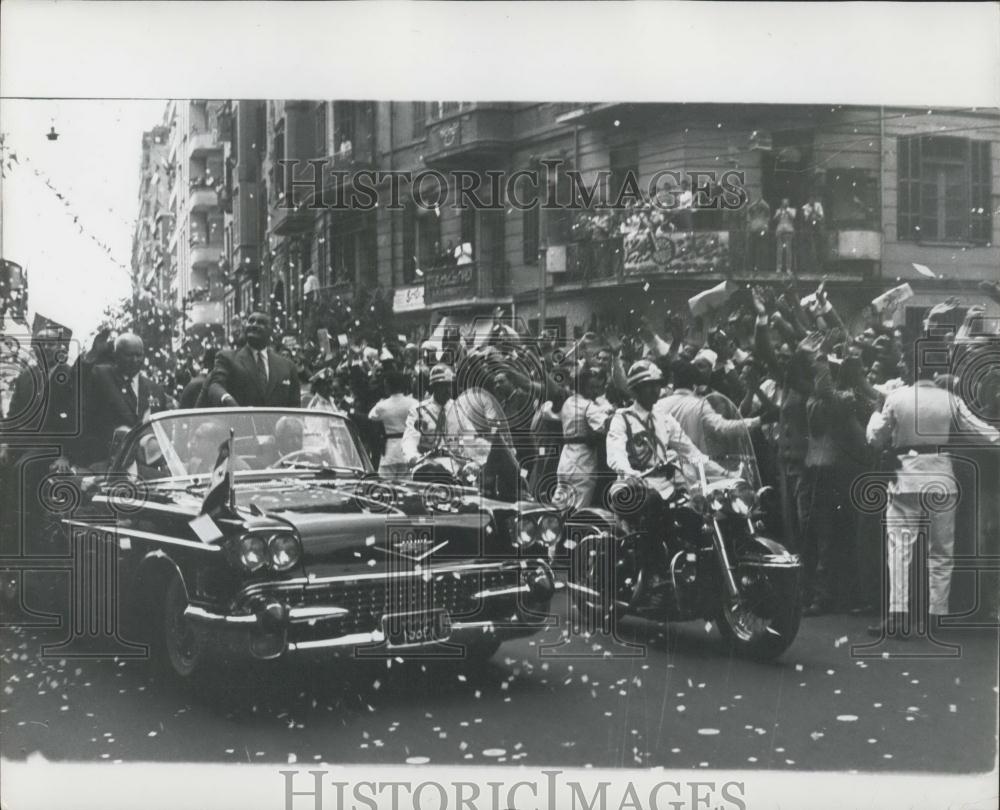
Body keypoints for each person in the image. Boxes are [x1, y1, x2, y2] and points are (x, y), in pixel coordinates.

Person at [866, 340, 1000, 639]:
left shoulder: (896, 397)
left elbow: (875, 438)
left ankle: (898, 615)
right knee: (941, 551)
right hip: (941, 477)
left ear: (912, 367)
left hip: (905, 477)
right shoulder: (950, 400)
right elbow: (981, 432)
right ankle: (936, 615)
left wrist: (876, 411)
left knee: (899, 549)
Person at [605, 360, 718, 605]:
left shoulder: (664, 419)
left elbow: (690, 451)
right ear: (636, 389)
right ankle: (652, 576)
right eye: (648, 386)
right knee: (653, 504)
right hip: (630, 488)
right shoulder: (622, 418)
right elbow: (615, 453)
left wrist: (721, 472)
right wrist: (628, 472)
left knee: (696, 514)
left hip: (666, 488)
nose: (655, 390)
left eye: (657, 385)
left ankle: (688, 571)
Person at [55, 333, 170, 471]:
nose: (135, 360)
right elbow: (76, 381)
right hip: (103, 464)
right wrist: (92, 354)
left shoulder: (155, 389)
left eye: (139, 355)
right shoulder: (100, 375)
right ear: (116, 355)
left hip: (144, 468)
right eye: (129, 355)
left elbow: (163, 430)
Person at [656, 357, 764, 456]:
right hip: (696, 465)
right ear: (694, 381)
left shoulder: (658, 405)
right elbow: (724, 427)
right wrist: (760, 420)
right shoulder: (699, 405)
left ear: (673, 379)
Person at [200, 311, 300, 407]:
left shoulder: (287, 366)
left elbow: (294, 406)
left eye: (261, 322)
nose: (254, 325)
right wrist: (227, 399)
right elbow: (215, 385)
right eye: (251, 321)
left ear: (271, 330)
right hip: (238, 418)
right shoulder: (227, 358)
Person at [555, 366, 613, 511]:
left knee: (560, 503)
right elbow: (605, 426)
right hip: (583, 461)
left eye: (597, 387)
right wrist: (616, 414)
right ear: (582, 386)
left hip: (566, 458)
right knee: (578, 508)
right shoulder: (589, 406)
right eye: (591, 387)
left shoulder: (568, 402)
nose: (595, 391)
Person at [402, 363, 459, 465]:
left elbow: (470, 435)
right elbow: (410, 439)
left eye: (449, 385)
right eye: (443, 386)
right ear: (434, 387)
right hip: (428, 464)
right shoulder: (419, 411)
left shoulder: (458, 409)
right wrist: (413, 457)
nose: (447, 390)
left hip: (455, 464)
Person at [368, 370, 418, 478]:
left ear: (388, 386)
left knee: (385, 485)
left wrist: (379, 402)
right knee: (406, 484)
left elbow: (371, 416)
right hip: (408, 449)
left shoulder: (382, 406)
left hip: (390, 451)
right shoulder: (413, 403)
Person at [773, 198, 796, 274]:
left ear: (788, 203)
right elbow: (775, 219)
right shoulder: (778, 210)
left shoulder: (792, 210)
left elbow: (793, 217)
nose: (785, 204)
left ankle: (788, 268)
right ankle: (778, 268)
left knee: (788, 251)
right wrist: (780, 212)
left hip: (788, 231)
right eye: (783, 203)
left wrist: (787, 211)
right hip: (780, 230)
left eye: (786, 203)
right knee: (779, 250)